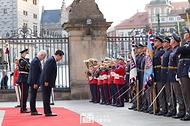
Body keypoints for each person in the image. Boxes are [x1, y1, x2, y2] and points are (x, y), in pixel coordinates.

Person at [40, 50, 64, 116]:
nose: (60, 59)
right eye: (60, 57)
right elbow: (47, 71)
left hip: (47, 81)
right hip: (46, 82)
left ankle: (47, 111)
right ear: (58, 55)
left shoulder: (51, 59)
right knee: (46, 97)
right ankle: (47, 112)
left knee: (47, 96)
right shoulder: (51, 60)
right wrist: (46, 81)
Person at [176, 27, 190, 121]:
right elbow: (179, 50)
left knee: (188, 93)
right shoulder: (185, 45)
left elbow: (180, 50)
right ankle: (187, 111)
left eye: (186, 32)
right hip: (182, 70)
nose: (184, 34)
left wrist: (182, 49)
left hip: (186, 70)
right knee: (184, 93)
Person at [27, 50, 47, 115]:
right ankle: (33, 110)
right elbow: (34, 73)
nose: (43, 59)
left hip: (33, 81)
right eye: (43, 57)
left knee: (33, 95)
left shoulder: (35, 60)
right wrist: (35, 82)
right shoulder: (36, 61)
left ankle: (33, 109)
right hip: (34, 81)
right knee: (33, 96)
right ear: (41, 55)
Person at [17, 48, 30, 113]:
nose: (26, 54)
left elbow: (29, 67)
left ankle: (24, 107)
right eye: (25, 53)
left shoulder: (26, 60)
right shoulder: (21, 60)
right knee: (23, 94)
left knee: (26, 94)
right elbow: (22, 64)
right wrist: (26, 60)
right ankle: (22, 109)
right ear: (22, 54)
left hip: (26, 78)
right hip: (22, 78)